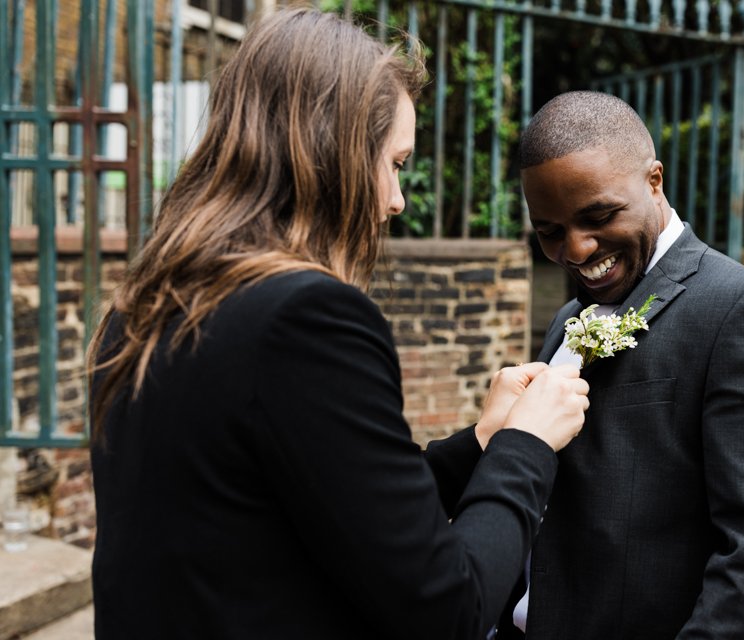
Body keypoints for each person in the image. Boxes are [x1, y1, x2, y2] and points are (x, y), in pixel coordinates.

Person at [86, 9, 589, 640]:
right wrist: (529, 446)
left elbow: (337, 506)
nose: (398, 200)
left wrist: (484, 442)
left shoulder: (147, 301)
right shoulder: (306, 319)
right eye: (397, 163)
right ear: (335, 154)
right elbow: (446, 607)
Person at [497, 91, 744, 637]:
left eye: (598, 216)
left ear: (654, 181)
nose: (578, 249)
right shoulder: (569, 318)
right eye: (550, 231)